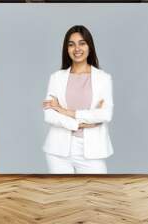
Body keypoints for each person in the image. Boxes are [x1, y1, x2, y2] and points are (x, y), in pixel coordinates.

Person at [42, 25, 114, 174]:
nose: (77, 49)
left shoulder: (103, 79)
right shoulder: (56, 78)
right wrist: (77, 124)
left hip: (92, 150)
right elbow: (49, 114)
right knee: (63, 195)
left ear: (90, 47)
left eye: (82, 43)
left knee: (96, 194)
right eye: (71, 44)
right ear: (66, 49)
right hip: (58, 151)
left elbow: (105, 115)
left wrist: (63, 110)